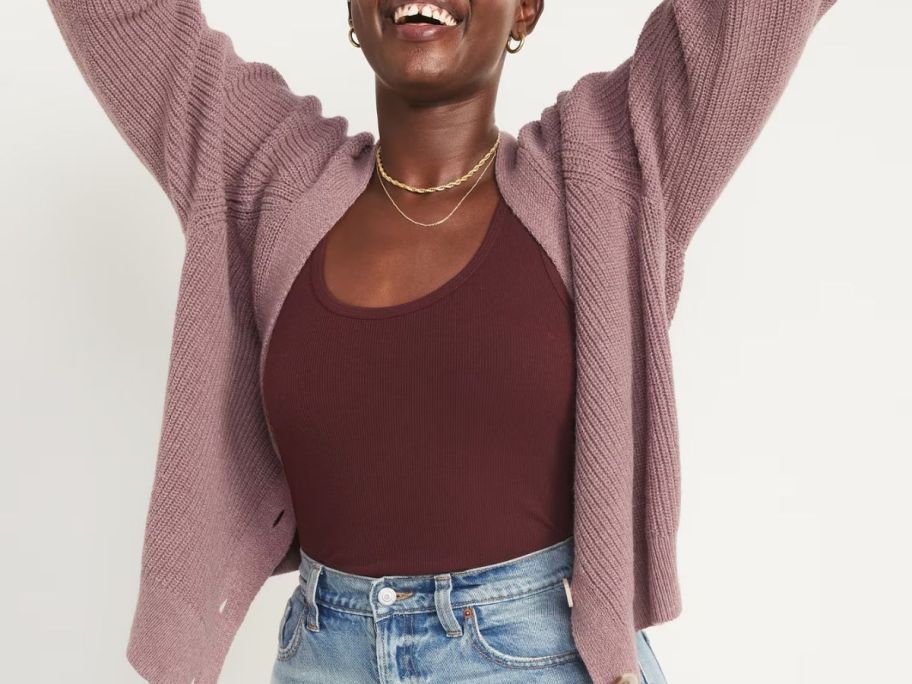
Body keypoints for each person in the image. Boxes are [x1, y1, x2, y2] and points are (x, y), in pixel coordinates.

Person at [46, 1, 838, 682]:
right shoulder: (267, 175)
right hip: (323, 655)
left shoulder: (610, 168)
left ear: (525, 10)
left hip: (540, 653)